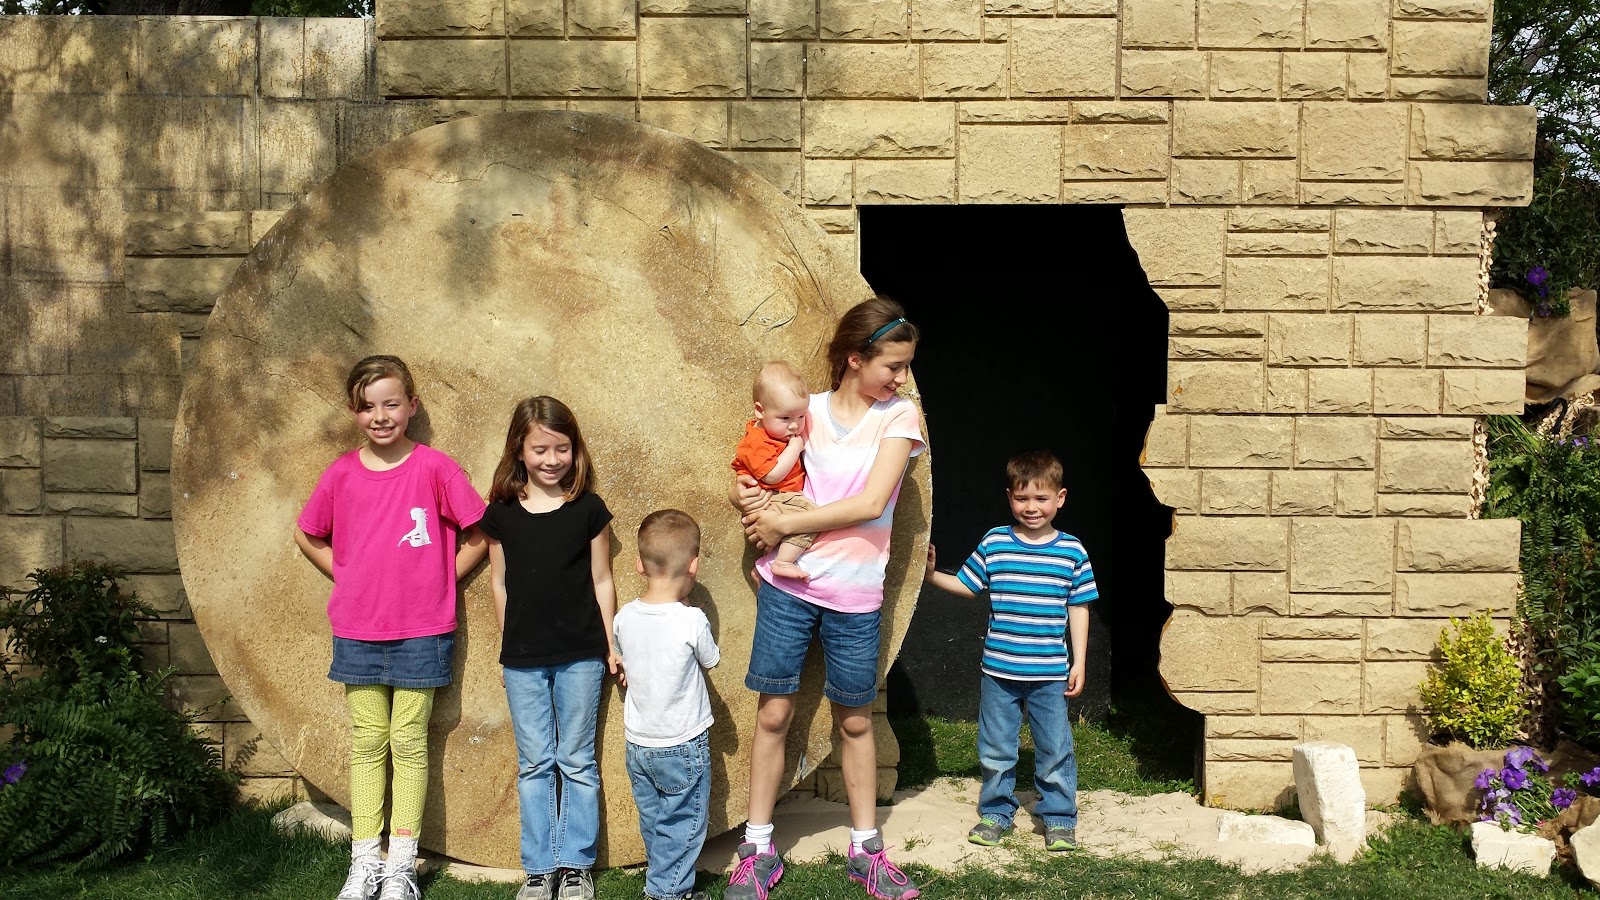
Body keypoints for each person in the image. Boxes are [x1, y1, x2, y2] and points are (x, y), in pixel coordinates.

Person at [727, 297, 925, 900]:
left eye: (905, 366)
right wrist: (745, 497)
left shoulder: (900, 417)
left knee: (856, 720)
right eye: (893, 365)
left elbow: (871, 503)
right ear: (854, 358)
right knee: (773, 714)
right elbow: (750, 469)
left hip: (856, 595)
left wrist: (783, 525)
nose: (901, 378)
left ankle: (867, 851)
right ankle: (757, 849)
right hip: (788, 588)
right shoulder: (803, 411)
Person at [294, 354, 488, 900]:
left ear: (411, 406)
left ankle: (400, 864)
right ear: (354, 411)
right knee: (367, 742)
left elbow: (479, 533)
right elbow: (308, 533)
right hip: (357, 629)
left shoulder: (435, 468)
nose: (380, 416)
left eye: (391, 404)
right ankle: (363, 863)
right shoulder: (340, 474)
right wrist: (347, 575)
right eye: (367, 406)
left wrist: (440, 580)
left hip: (423, 630)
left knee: (408, 740)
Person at [479, 397, 621, 900]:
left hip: (582, 653)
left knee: (577, 760)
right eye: (540, 449)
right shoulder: (500, 515)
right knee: (535, 763)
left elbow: (602, 579)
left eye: (562, 448)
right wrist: (506, 647)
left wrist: (610, 642)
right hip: (522, 659)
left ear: (575, 450)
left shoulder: (589, 510)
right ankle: (539, 869)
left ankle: (576, 865)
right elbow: (499, 584)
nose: (552, 459)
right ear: (519, 449)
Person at [922, 450, 1098, 853]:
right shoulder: (995, 542)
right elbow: (967, 585)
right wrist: (931, 576)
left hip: (1050, 672)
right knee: (997, 748)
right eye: (1022, 498)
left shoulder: (1072, 551)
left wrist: (1079, 661)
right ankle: (996, 813)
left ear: (1060, 498)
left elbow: (1079, 606)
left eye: (1041, 498)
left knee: (1055, 749)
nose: (1031, 507)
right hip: (999, 671)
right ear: (1009, 497)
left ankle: (1059, 817)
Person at [614, 510, 721, 900]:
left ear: (639, 564)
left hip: (639, 743)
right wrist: (696, 613)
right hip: (681, 742)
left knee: (656, 821)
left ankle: (665, 885)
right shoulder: (691, 620)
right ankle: (666, 893)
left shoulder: (624, 617)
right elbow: (711, 660)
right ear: (693, 566)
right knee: (685, 823)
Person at [730, 361, 818, 583]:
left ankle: (765, 567)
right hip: (775, 496)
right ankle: (782, 562)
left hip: (780, 497)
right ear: (760, 411)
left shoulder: (776, 433)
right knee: (810, 515)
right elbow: (772, 476)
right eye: (785, 418)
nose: (795, 426)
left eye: (801, 416)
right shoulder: (756, 441)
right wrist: (794, 448)